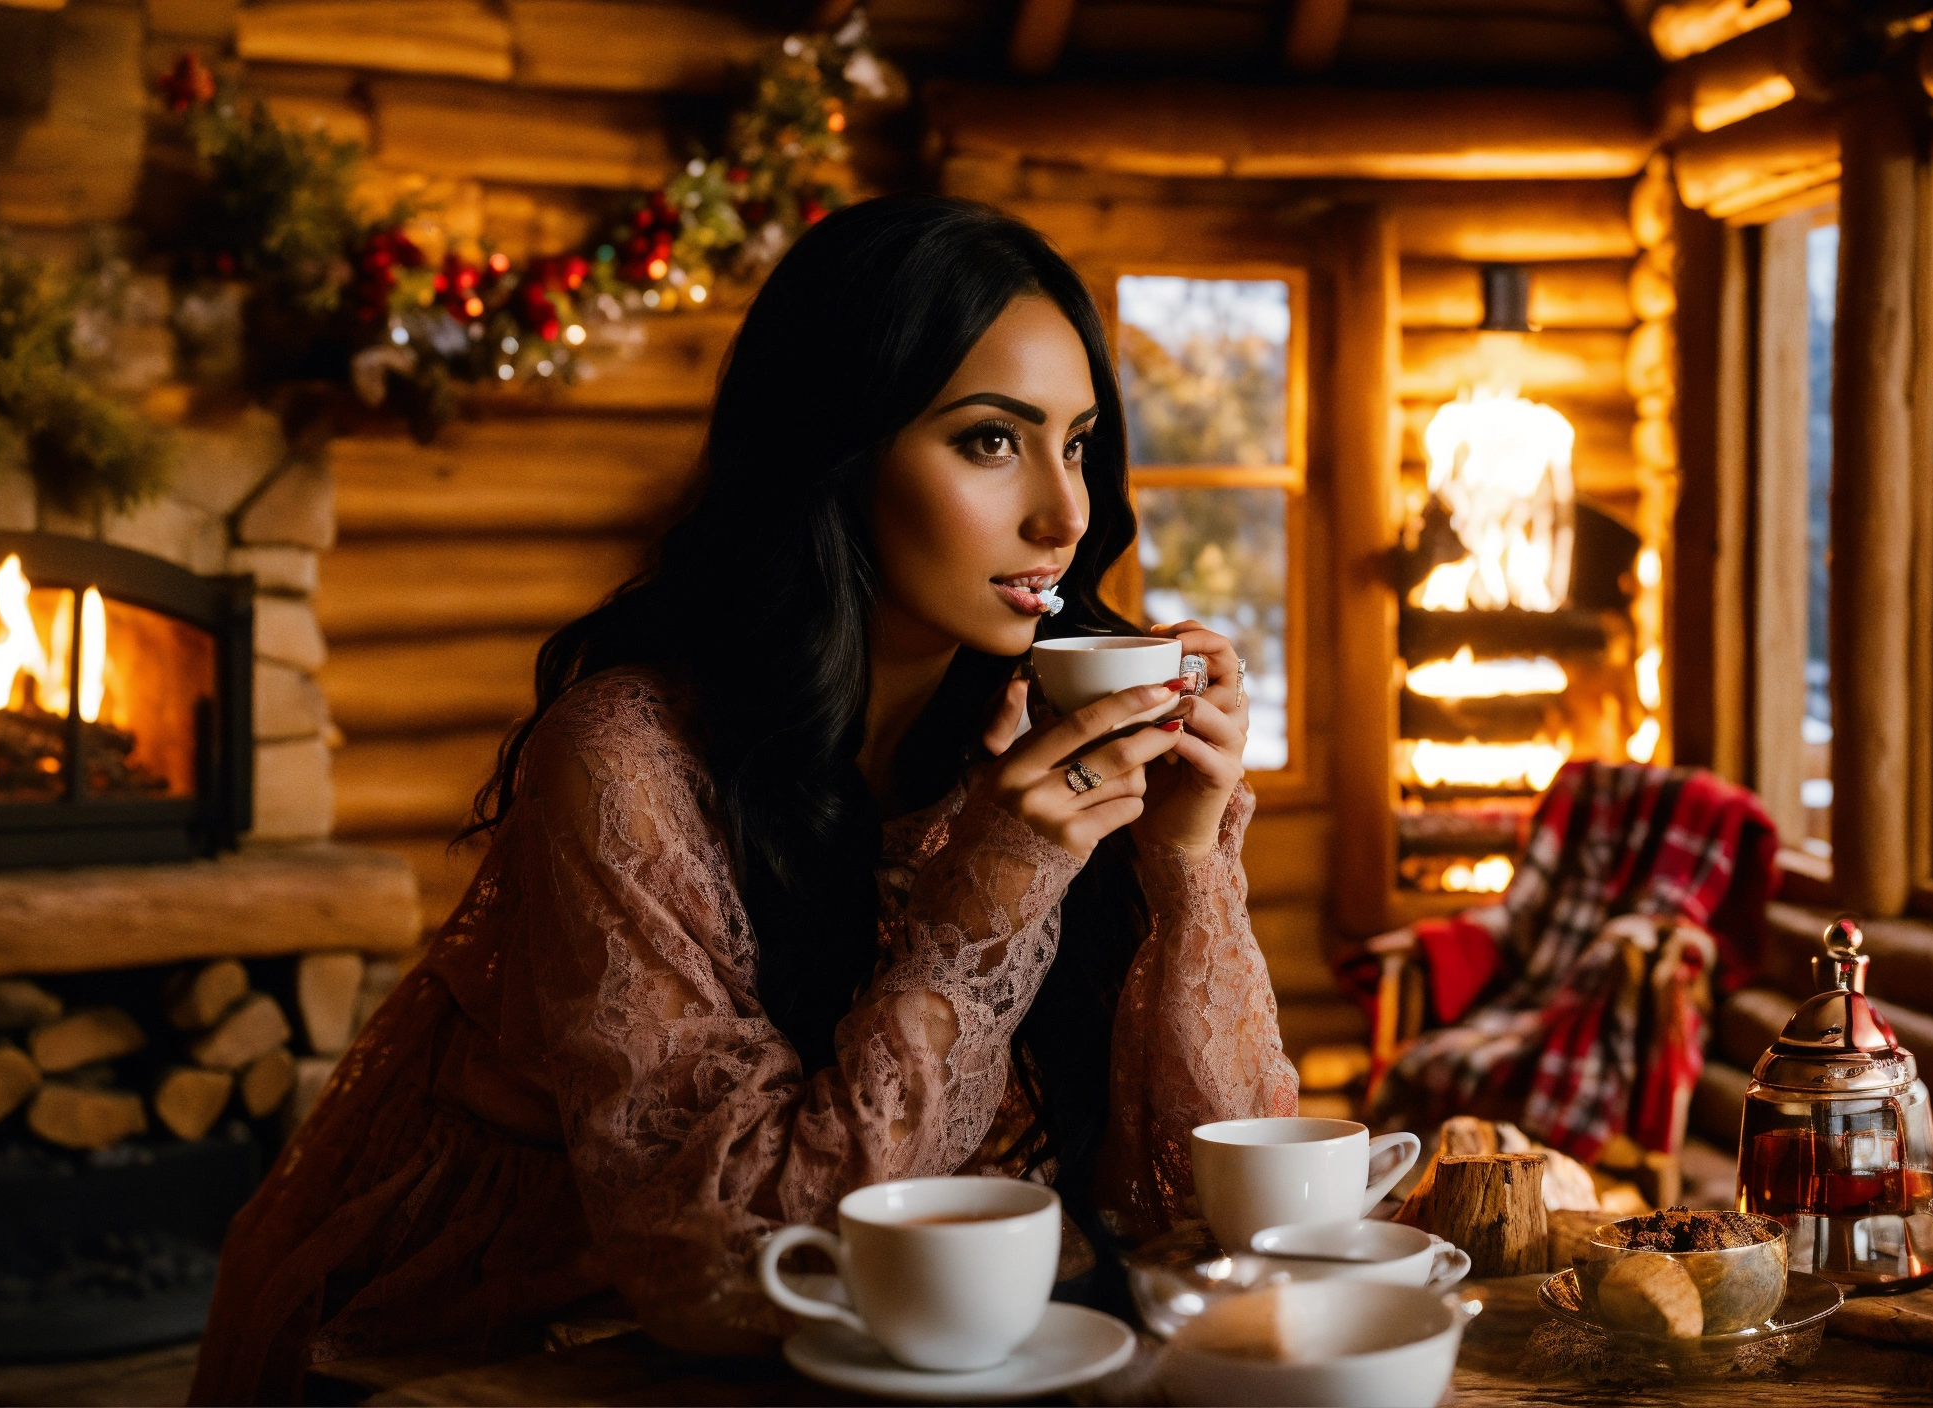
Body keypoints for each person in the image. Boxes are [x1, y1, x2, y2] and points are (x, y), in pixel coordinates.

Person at [188, 195, 1298, 1404]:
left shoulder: (1023, 749)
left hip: (867, 1355)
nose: (1066, 514)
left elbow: (1222, 1219)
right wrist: (999, 877)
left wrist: (1188, 863)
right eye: (991, 440)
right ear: (837, 447)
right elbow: (731, 1270)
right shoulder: (626, 760)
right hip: (495, 1347)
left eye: (1079, 442)